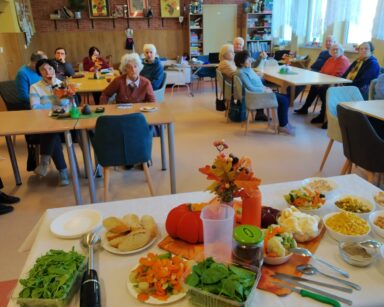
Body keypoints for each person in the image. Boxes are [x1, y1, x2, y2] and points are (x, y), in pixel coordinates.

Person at [30, 59, 70, 186]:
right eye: (43, 69)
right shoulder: (35, 87)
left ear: (54, 69)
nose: (47, 72)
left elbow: (64, 104)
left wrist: (54, 86)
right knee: (52, 132)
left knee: (52, 130)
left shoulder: (61, 84)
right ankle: (62, 171)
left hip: (63, 122)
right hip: (44, 123)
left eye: (50, 68)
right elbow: (35, 108)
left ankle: (44, 162)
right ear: (39, 72)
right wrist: (54, 107)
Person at [234, 50, 294, 135]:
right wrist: (264, 90)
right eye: (248, 59)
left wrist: (264, 87)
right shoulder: (241, 72)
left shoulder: (247, 69)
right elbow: (250, 87)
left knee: (286, 97)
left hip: (260, 93)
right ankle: (283, 125)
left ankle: (284, 123)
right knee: (284, 100)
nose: (251, 60)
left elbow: (255, 82)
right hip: (256, 96)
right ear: (241, 63)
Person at [295, 43, 350, 127]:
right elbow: (322, 71)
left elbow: (337, 75)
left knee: (323, 90)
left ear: (341, 50)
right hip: (326, 81)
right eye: (333, 49)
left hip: (337, 84)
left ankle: (323, 115)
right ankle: (305, 108)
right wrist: (320, 81)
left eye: (337, 49)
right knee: (314, 87)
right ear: (330, 51)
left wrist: (323, 82)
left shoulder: (343, 60)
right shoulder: (330, 59)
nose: (335, 51)